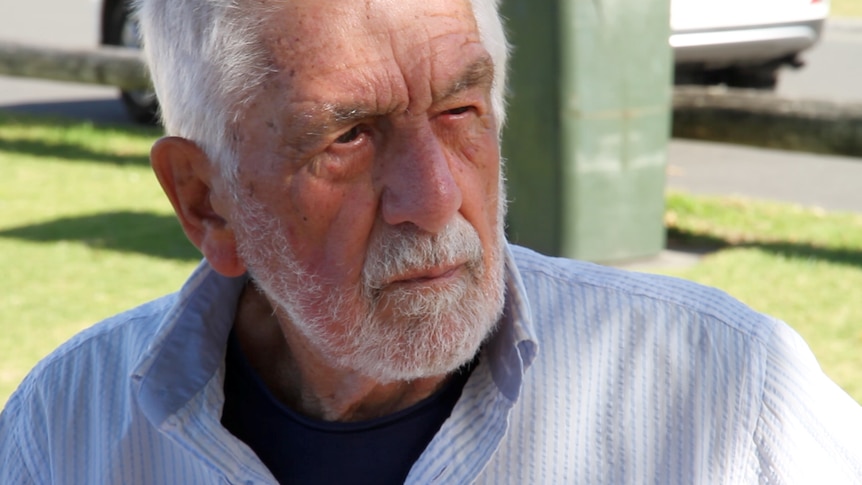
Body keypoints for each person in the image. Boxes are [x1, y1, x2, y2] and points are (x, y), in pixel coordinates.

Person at [2, 0, 861, 483]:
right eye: (348, 136)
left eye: (460, 110)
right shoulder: (64, 431)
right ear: (205, 203)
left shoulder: (728, 399)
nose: (436, 195)